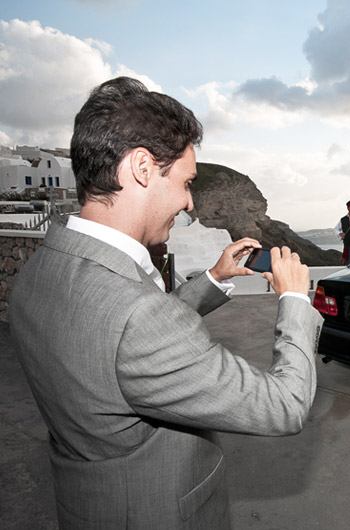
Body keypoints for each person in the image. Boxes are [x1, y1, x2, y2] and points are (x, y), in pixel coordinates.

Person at [8, 77, 322, 530]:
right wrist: (294, 299)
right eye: (186, 181)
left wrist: (213, 279)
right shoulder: (138, 319)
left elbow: (118, 342)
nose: (190, 201)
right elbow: (285, 405)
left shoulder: (42, 270)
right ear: (141, 167)